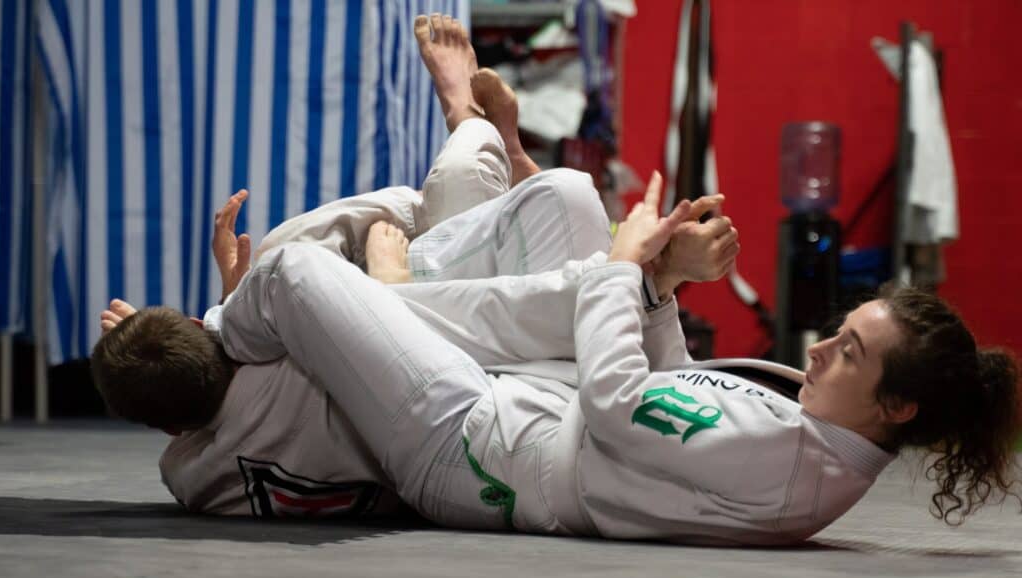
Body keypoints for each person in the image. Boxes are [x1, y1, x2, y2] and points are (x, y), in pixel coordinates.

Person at [91, 14, 737, 519]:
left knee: (553, 199)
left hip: (484, 417)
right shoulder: (275, 349)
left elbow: (192, 419)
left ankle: (514, 173)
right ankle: (484, 140)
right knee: (316, 244)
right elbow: (327, 277)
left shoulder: (193, 474)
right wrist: (233, 306)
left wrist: (157, 353)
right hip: (452, 412)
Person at [208, 164, 1021, 545]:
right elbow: (671, 395)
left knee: (292, 270)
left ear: (897, 407)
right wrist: (660, 284)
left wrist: (625, 268)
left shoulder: (792, 460)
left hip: (471, 445)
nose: (816, 350)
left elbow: (618, 402)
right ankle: (395, 282)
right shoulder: (816, 435)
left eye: (847, 353)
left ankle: (208, 340)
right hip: (533, 404)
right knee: (565, 193)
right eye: (839, 335)